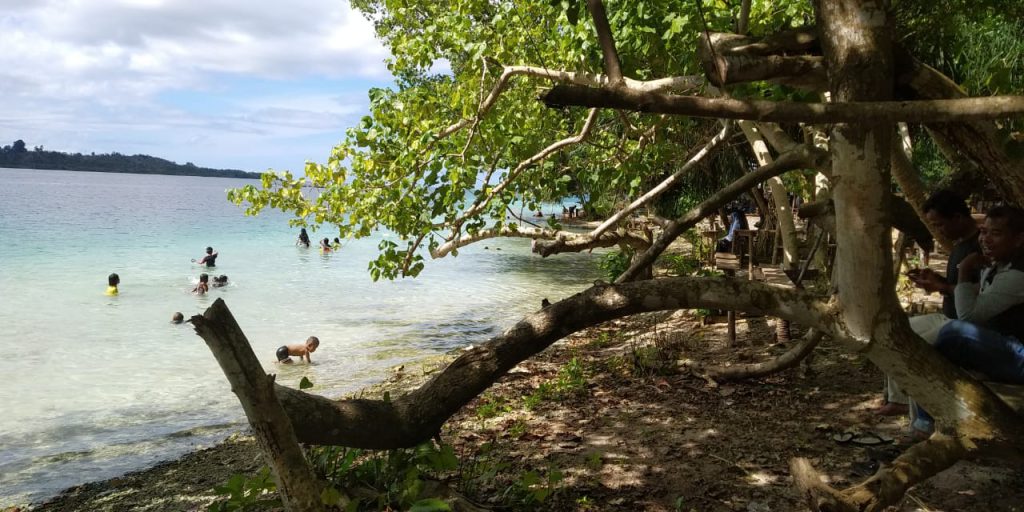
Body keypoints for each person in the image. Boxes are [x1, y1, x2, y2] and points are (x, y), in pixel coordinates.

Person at [910, 205, 1024, 435]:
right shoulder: (998, 265)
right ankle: (921, 421)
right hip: (1002, 345)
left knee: (954, 332)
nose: (986, 240)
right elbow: (977, 298)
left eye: (996, 233)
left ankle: (924, 423)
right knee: (913, 336)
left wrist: (964, 269)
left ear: (1018, 239)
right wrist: (943, 284)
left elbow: (969, 315)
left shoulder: (1018, 274)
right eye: (984, 232)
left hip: (1019, 355)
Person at [880, 190, 981, 415]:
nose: (938, 230)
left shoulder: (981, 247)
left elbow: (981, 293)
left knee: (910, 348)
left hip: (962, 325)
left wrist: (942, 287)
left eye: (940, 224)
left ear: (957, 217)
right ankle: (897, 399)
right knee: (893, 333)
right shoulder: (961, 244)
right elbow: (957, 286)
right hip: (946, 316)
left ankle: (920, 418)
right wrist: (937, 281)